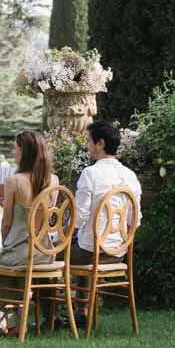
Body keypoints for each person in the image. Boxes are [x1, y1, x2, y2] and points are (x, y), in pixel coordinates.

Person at [0, 132, 60, 332]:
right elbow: (43, 218)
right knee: (18, 264)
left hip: (23, 252)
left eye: (16, 147)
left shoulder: (14, 181)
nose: (14, 151)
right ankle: (45, 318)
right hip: (45, 253)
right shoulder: (53, 180)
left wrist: (5, 244)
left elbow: (7, 223)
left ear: (24, 152)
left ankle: (8, 323)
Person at [72, 119, 142, 277]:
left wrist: (64, 233)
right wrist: (117, 244)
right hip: (117, 254)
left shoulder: (90, 173)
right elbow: (135, 221)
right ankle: (86, 302)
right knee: (81, 242)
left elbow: (79, 218)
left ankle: (47, 302)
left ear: (100, 143)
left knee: (45, 256)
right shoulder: (130, 176)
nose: (86, 146)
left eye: (89, 141)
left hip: (89, 253)